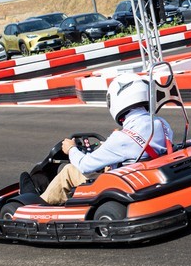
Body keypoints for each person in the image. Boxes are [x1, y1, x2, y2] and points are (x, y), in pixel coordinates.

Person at [39, 72, 174, 205]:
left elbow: (85, 166)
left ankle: (39, 204)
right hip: (149, 177)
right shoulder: (162, 124)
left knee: (69, 170)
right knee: (104, 168)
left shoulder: (120, 139)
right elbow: (139, 147)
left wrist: (71, 149)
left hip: (125, 186)